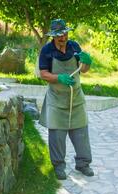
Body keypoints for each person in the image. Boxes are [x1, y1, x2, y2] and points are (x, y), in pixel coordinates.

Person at [38, 19, 94, 180]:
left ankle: (83, 164)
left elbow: (82, 70)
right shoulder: (47, 51)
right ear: (53, 37)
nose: (63, 37)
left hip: (76, 98)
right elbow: (43, 74)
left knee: (81, 132)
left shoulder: (74, 46)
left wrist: (87, 63)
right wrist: (58, 78)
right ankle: (59, 166)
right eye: (59, 35)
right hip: (56, 100)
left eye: (65, 34)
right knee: (57, 135)